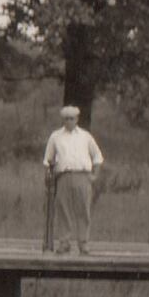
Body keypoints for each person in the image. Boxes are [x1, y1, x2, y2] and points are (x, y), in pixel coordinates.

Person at [41, 104, 104, 255]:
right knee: (64, 210)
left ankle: (83, 243)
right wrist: (49, 177)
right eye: (66, 119)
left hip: (83, 176)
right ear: (63, 120)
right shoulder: (56, 136)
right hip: (63, 176)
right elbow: (47, 159)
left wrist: (94, 176)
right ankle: (64, 243)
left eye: (72, 118)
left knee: (83, 210)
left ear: (77, 119)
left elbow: (98, 157)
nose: (69, 121)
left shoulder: (85, 136)